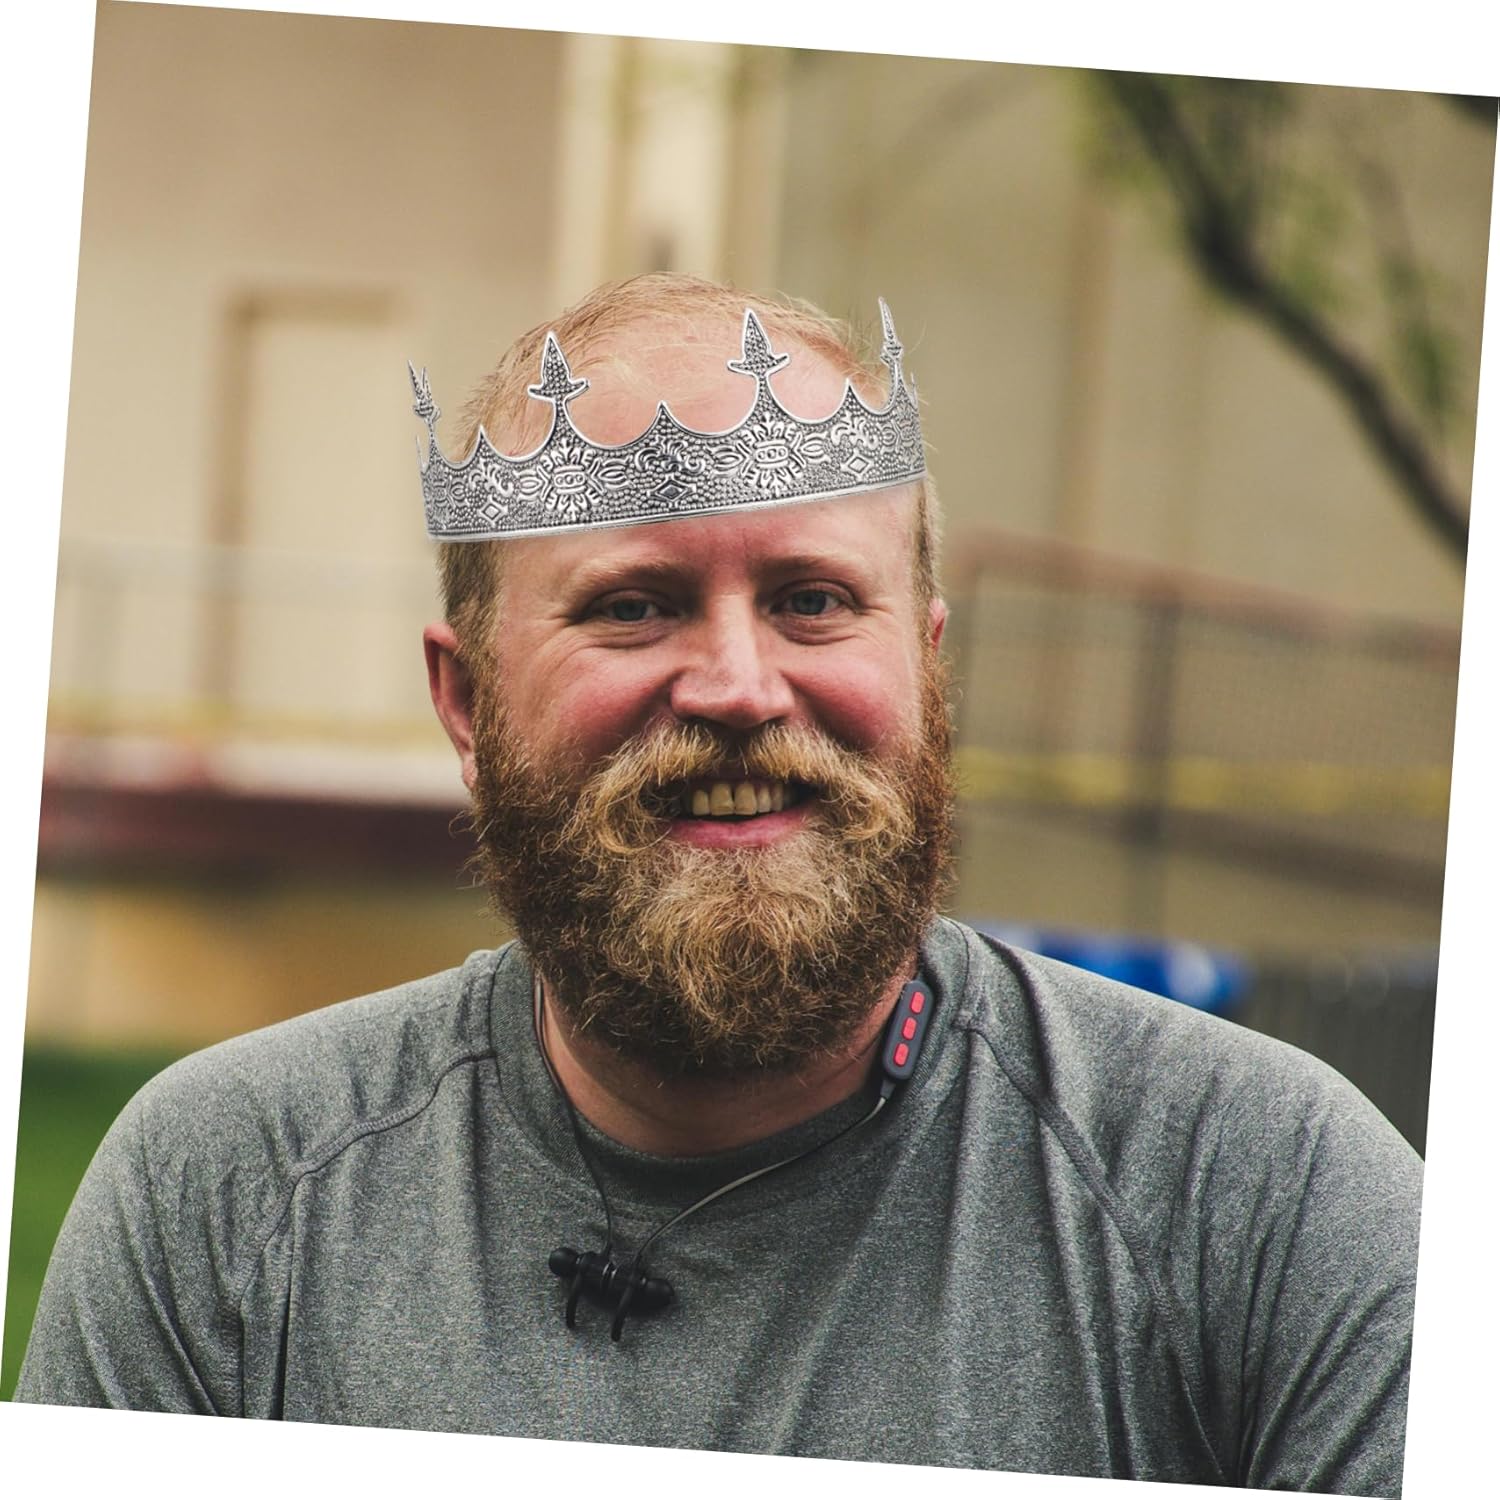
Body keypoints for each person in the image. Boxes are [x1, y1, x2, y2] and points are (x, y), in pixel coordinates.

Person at [17, 274, 1420, 1495]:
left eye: (814, 600)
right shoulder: (227, 1201)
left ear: (928, 668)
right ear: (466, 702)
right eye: (633, 606)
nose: (741, 688)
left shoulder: (1265, 1206)